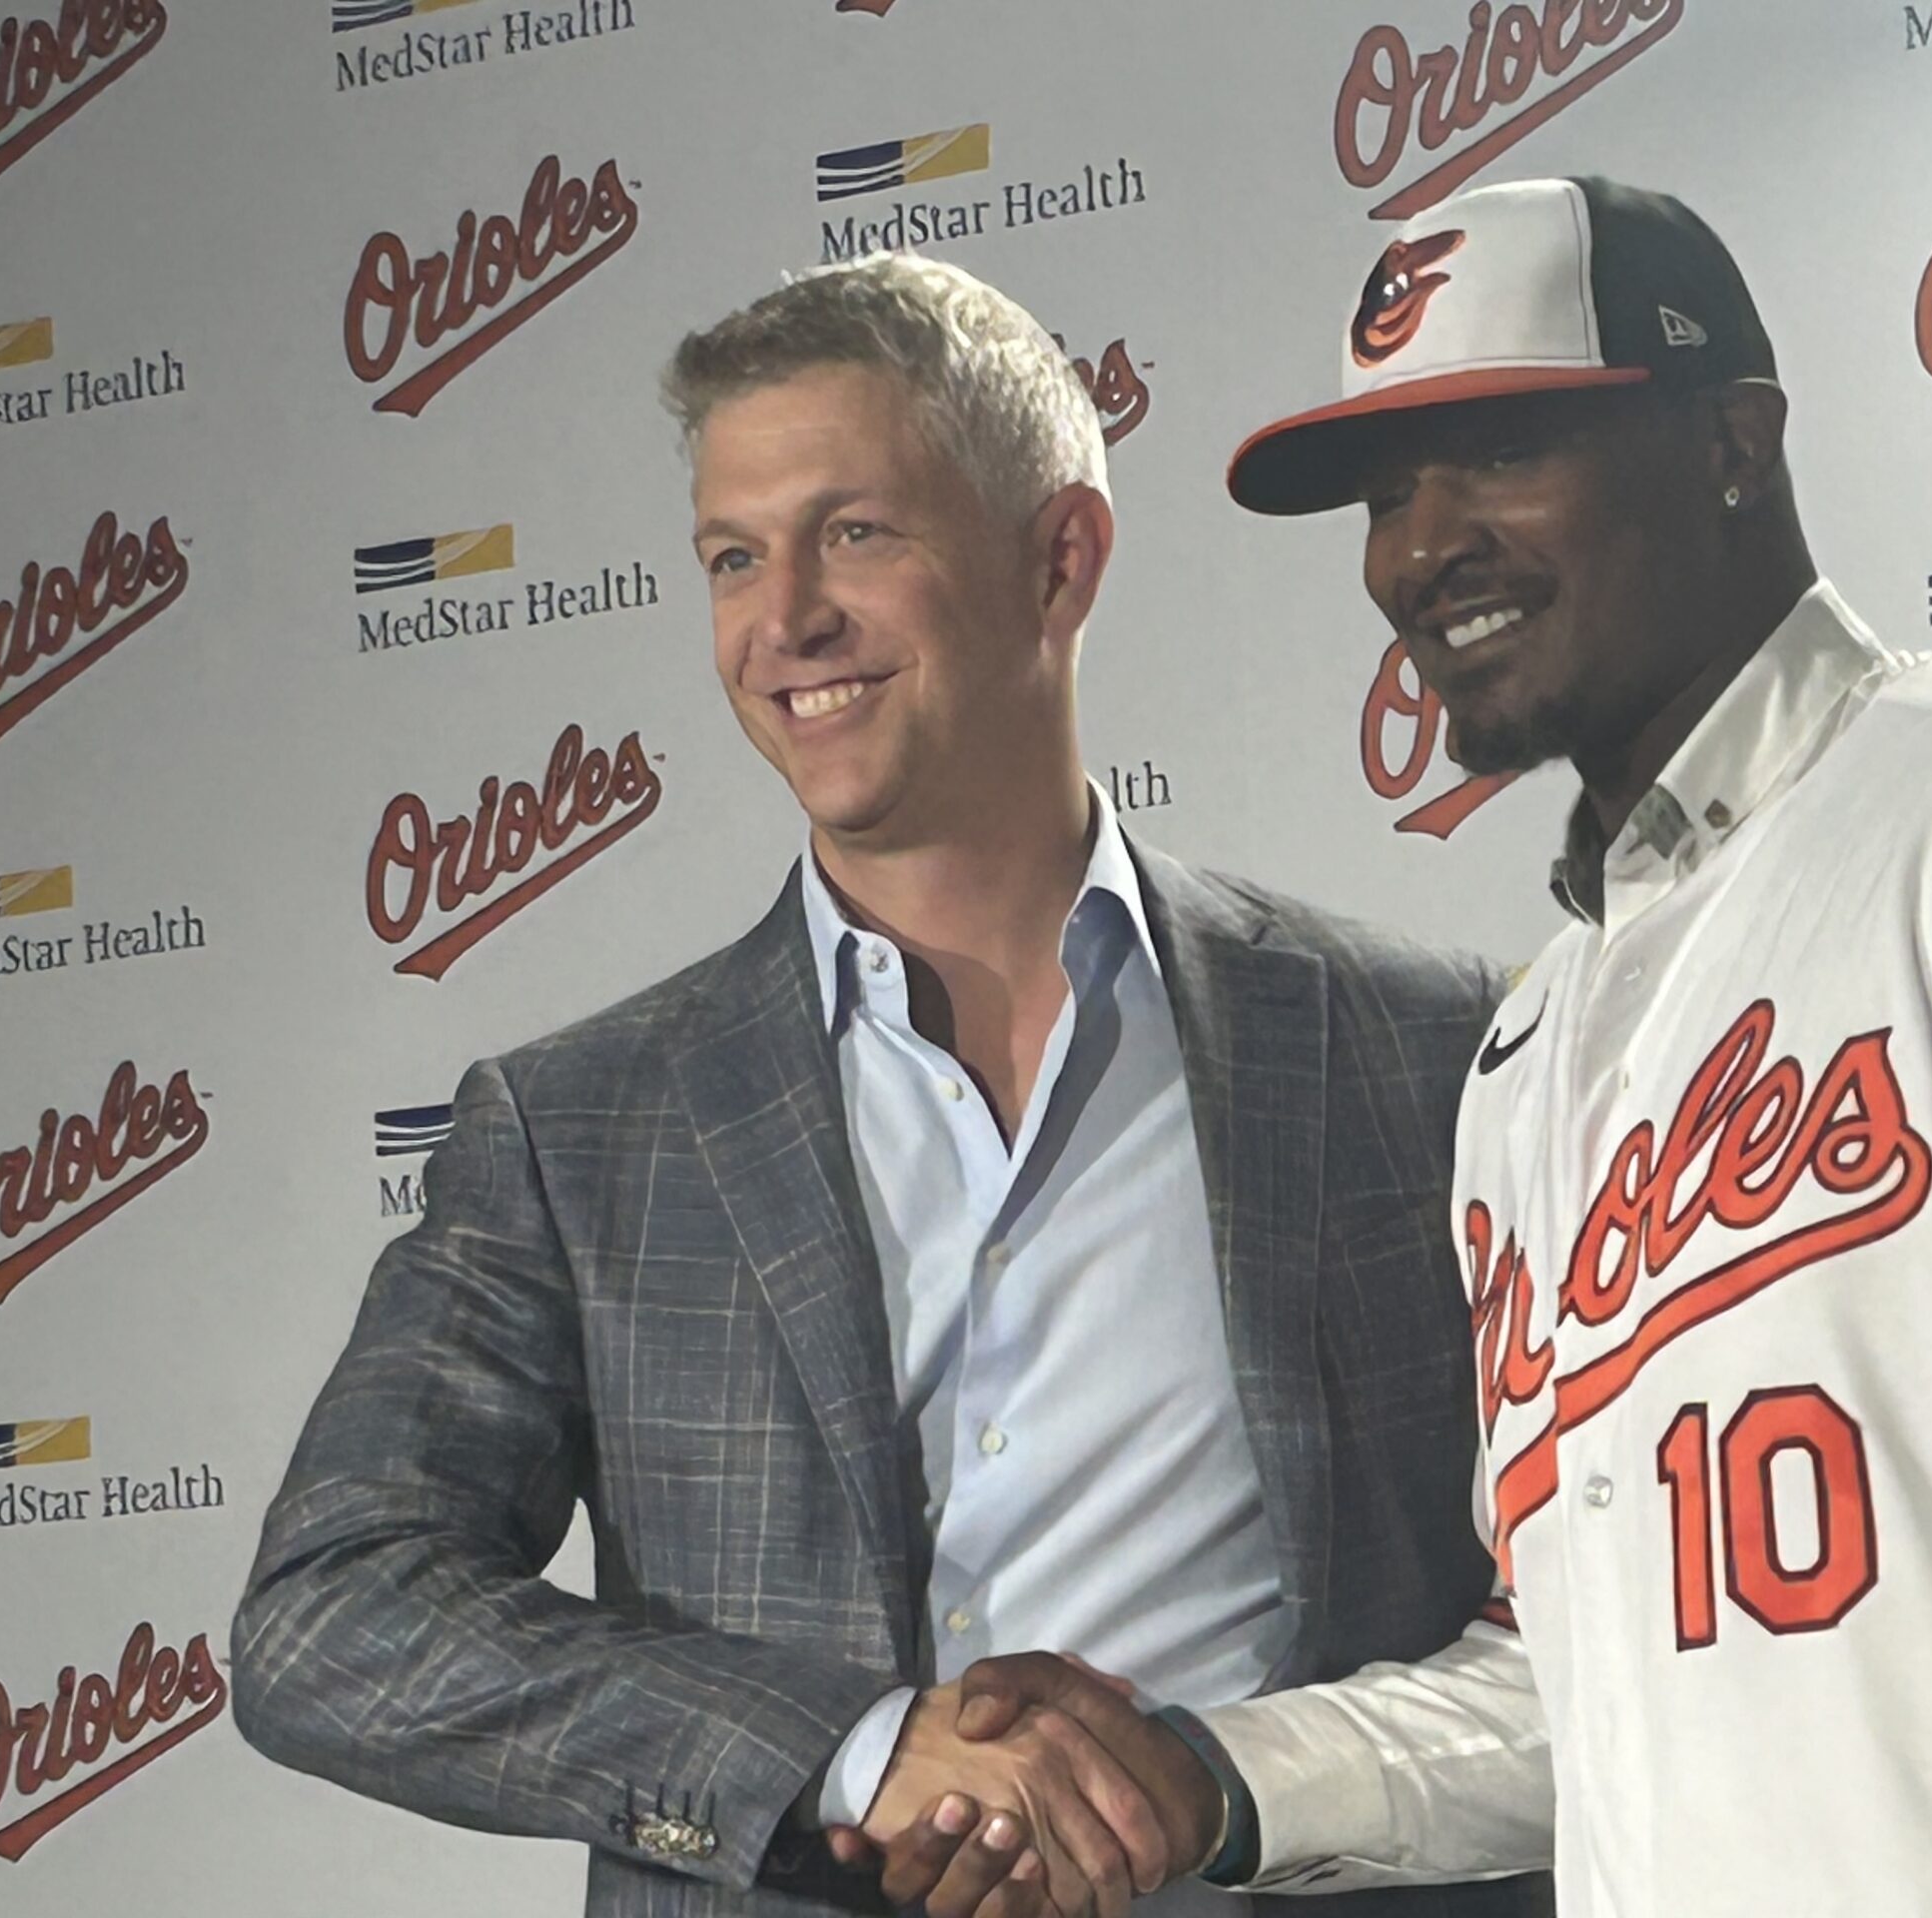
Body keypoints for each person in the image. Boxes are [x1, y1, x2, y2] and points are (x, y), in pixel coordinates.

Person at [875, 177, 1932, 1918]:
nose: (1418, 546)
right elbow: (1578, 1685)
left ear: (1733, 445)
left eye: (1500, 452)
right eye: (1386, 492)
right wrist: (1210, 1775)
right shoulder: (1537, 1046)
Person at [230, 253, 1551, 1918]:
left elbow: (1582, 1617)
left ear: (1059, 561)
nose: (783, 620)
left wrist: (1229, 1791)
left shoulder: (1424, 1046)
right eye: (733, 556)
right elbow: (333, 1613)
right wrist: (852, 1752)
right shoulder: (580, 1131)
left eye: (855, 533)